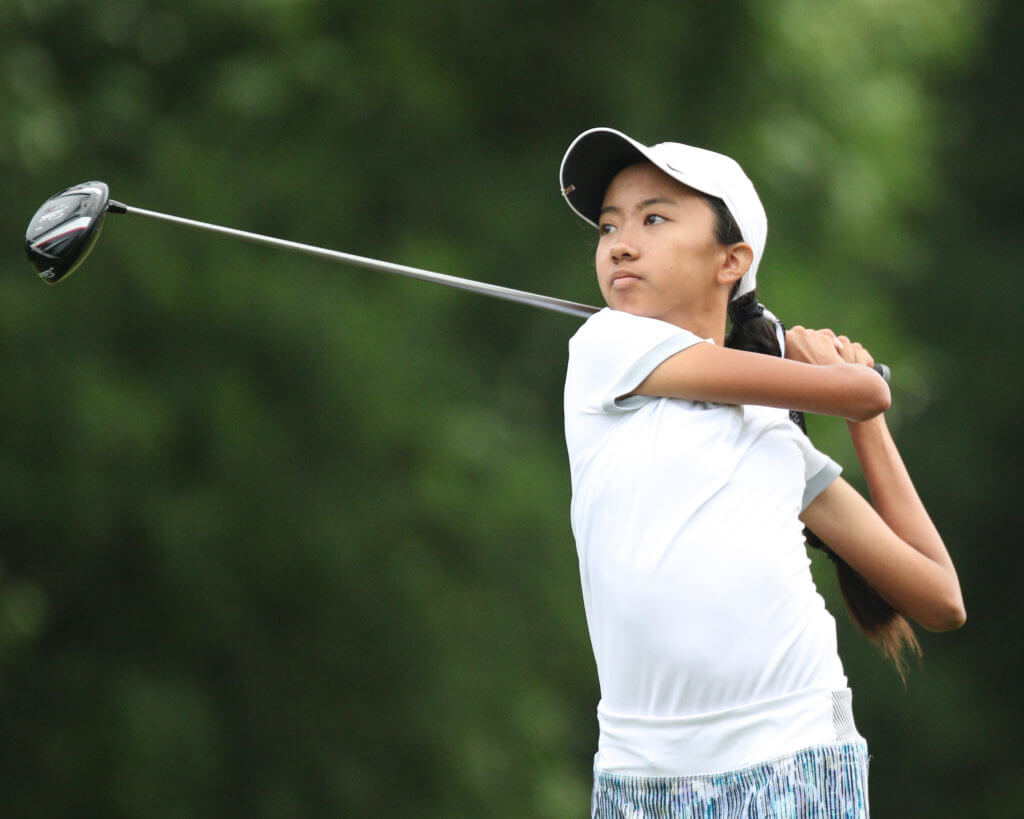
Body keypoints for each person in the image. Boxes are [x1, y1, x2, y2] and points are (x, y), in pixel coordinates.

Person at [559, 127, 965, 818]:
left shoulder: (774, 434)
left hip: (794, 754)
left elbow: (939, 597)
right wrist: (847, 381)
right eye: (608, 226)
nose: (621, 242)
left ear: (732, 259)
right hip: (641, 776)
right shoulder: (606, 344)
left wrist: (866, 419)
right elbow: (862, 389)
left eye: (654, 218)